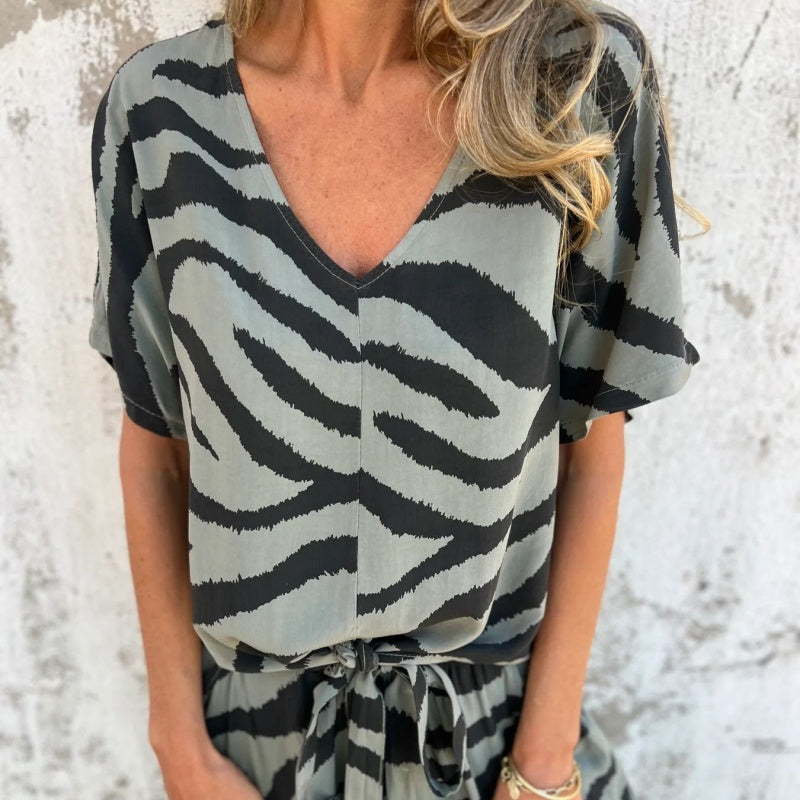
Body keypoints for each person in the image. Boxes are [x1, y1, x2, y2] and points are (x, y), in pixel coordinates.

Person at [87, 0, 702, 798]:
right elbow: (157, 450)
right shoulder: (159, 108)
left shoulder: (573, 79)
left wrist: (544, 765)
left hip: (490, 747)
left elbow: (593, 443)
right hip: (256, 754)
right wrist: (180, 749)